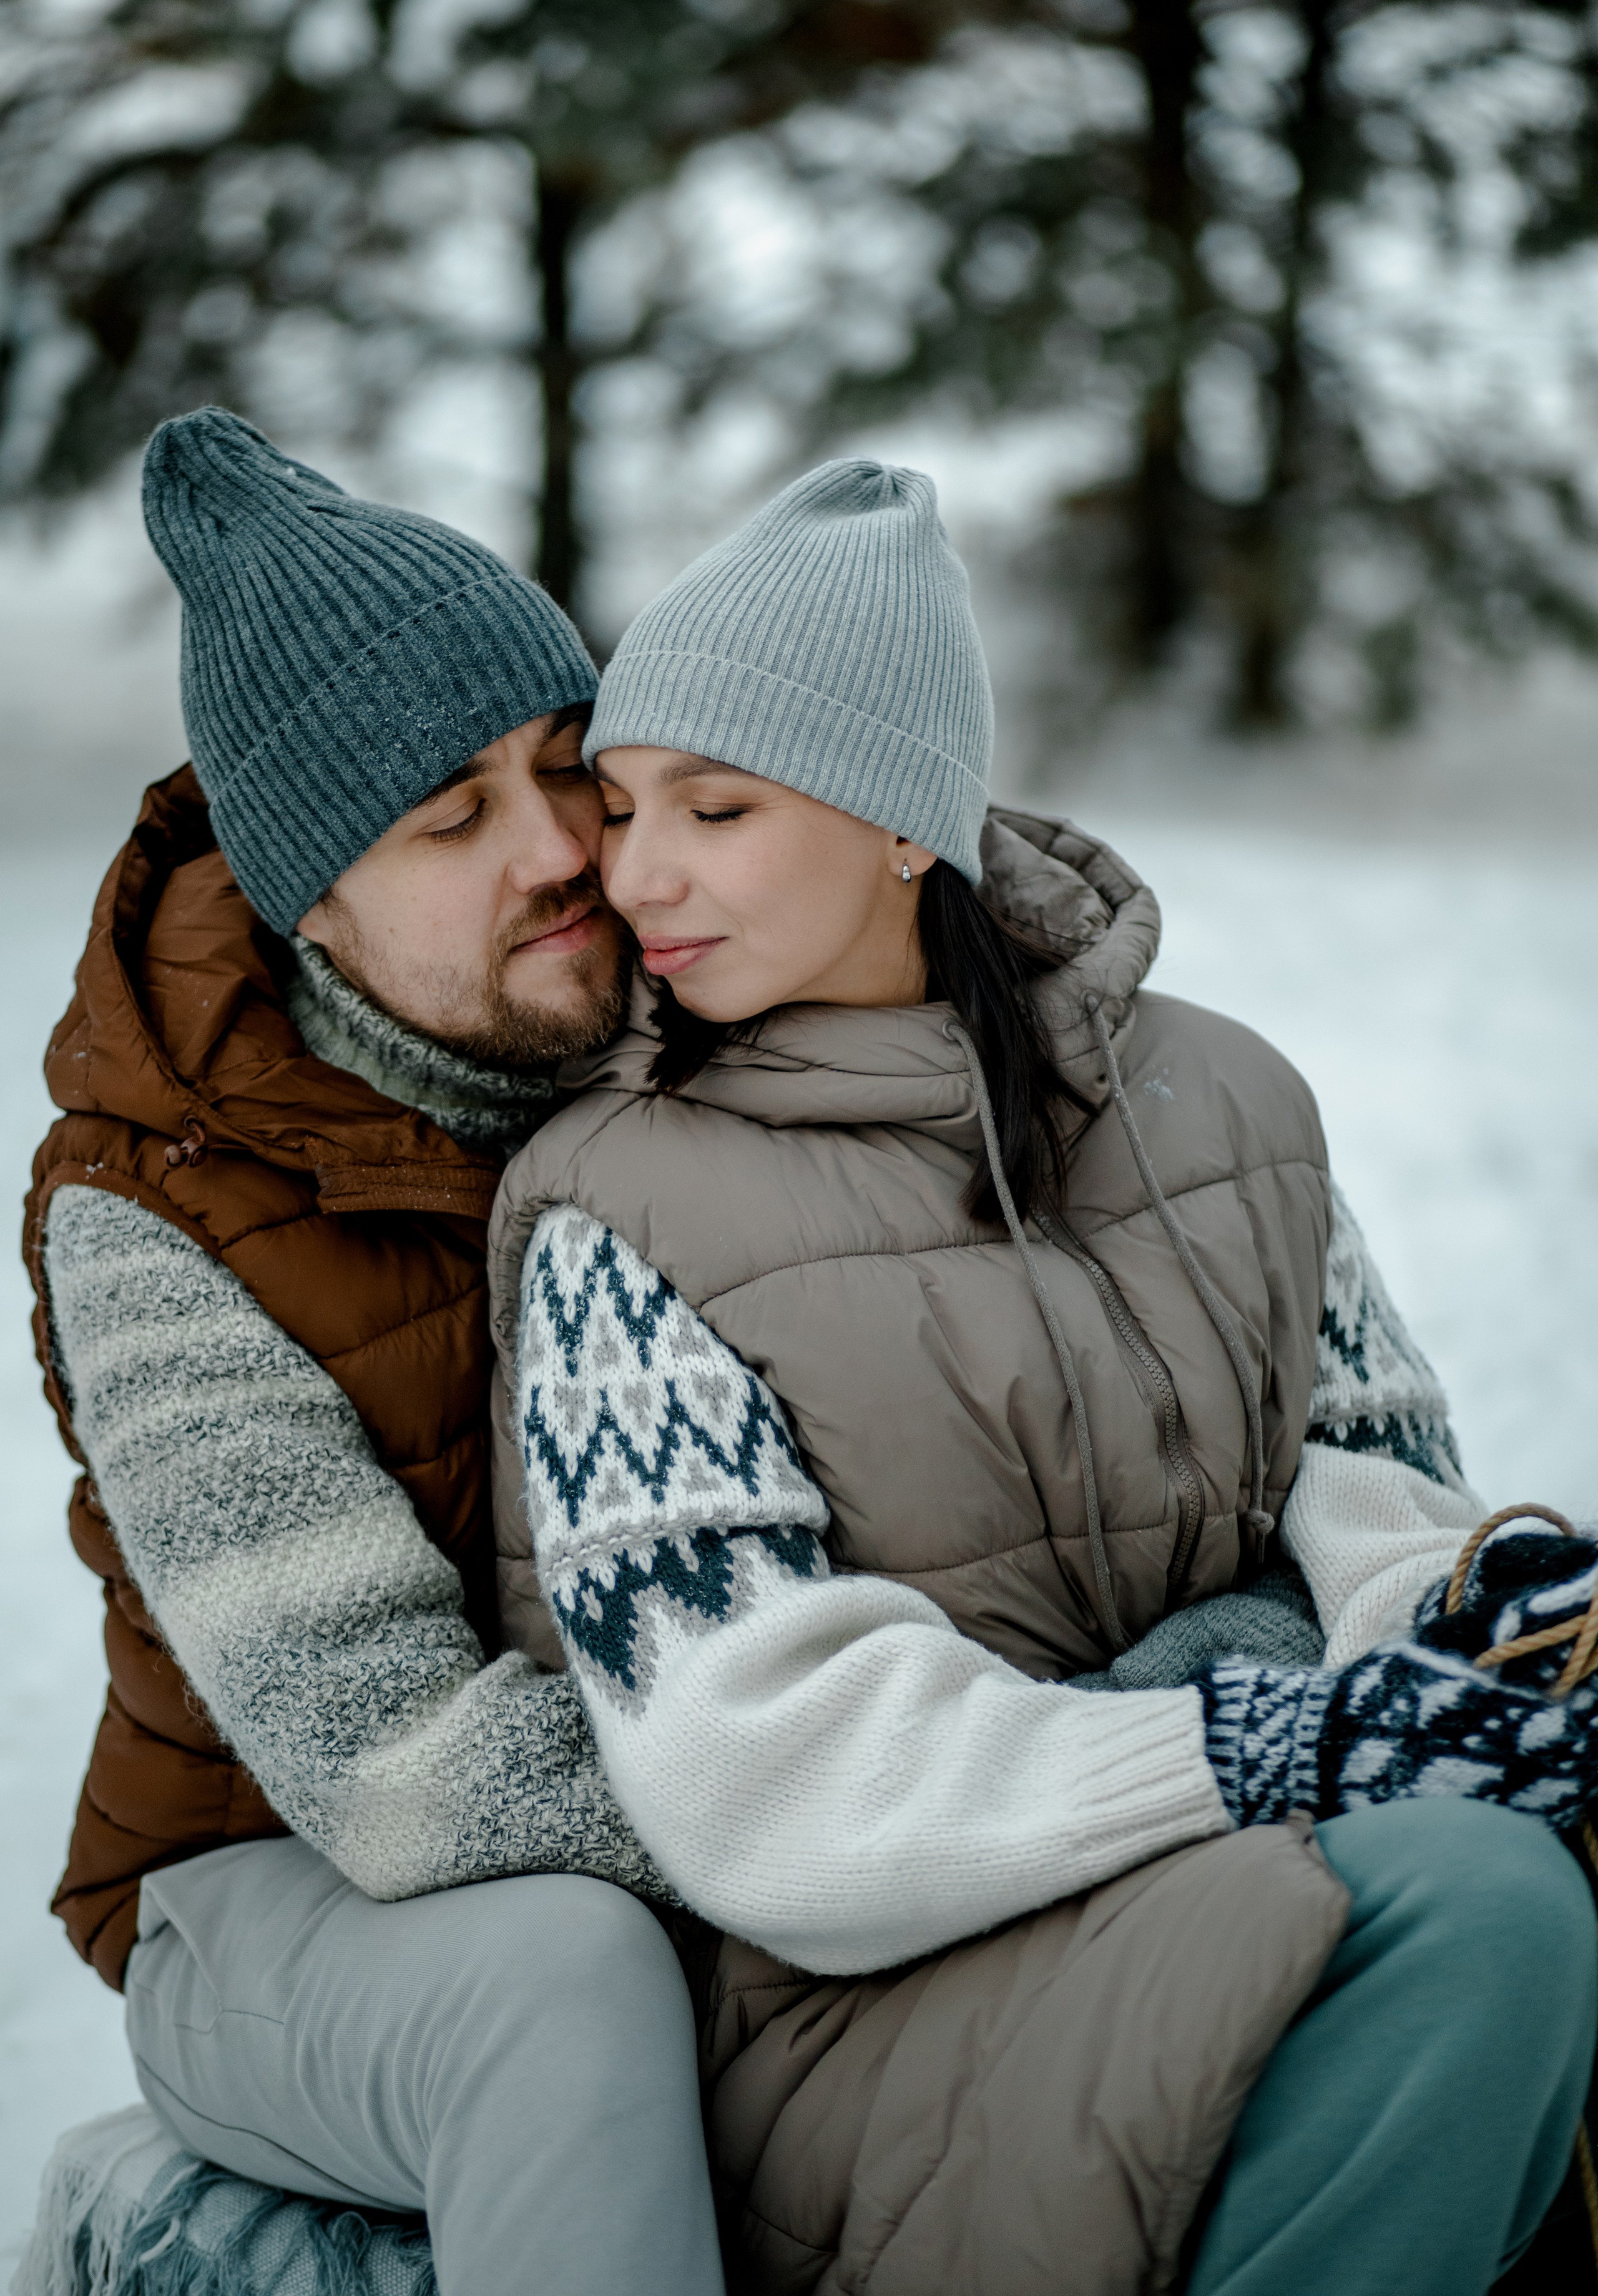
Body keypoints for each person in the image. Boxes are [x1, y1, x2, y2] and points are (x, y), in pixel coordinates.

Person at [486, 457, 1598, 2295]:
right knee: (1481, 1915)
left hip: (1208, 1870)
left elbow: (1380, 1508)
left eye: (718, 805)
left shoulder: (1222, 1102)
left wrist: (1484, 1620)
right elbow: (767, 1777)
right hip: (859, 1995)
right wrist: (1262, 1736)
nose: (639, 872)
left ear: (905, 820)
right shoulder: (621, 1205)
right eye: (619, 806)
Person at [23, 408, 725, 2294]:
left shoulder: (693, 1010)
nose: (565, 846)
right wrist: (863, 1797)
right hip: (282, 1894)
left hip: (736, 1785)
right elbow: (397, 1770)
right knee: (561, 1975)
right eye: (453, 817)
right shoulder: (152, 1204)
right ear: (307, 897)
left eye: (566, 763)